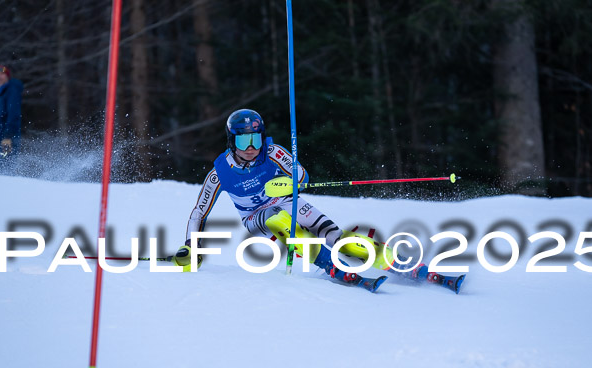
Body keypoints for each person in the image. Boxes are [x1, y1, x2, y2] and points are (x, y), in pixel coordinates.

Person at [171, 109, 463, 293]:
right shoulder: (219, 172)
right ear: (231, 142)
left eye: (255, 141)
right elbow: (199, 212)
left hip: (287, 201)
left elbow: (300, 174)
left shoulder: (273, 153)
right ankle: (330, 266)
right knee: (281, 220)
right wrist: (190, 246)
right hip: (256, 219)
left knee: (337, 236)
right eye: (243, 142)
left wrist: (291, 180)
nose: (250, 149)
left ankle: (406, 267)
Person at [0, 64, 23, 174]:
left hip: (6, 140)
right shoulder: (2, 94)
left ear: (7, 76)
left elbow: (14, 114)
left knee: (4, 171)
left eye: (1, 74)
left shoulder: (11, 90)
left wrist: (8, 136)